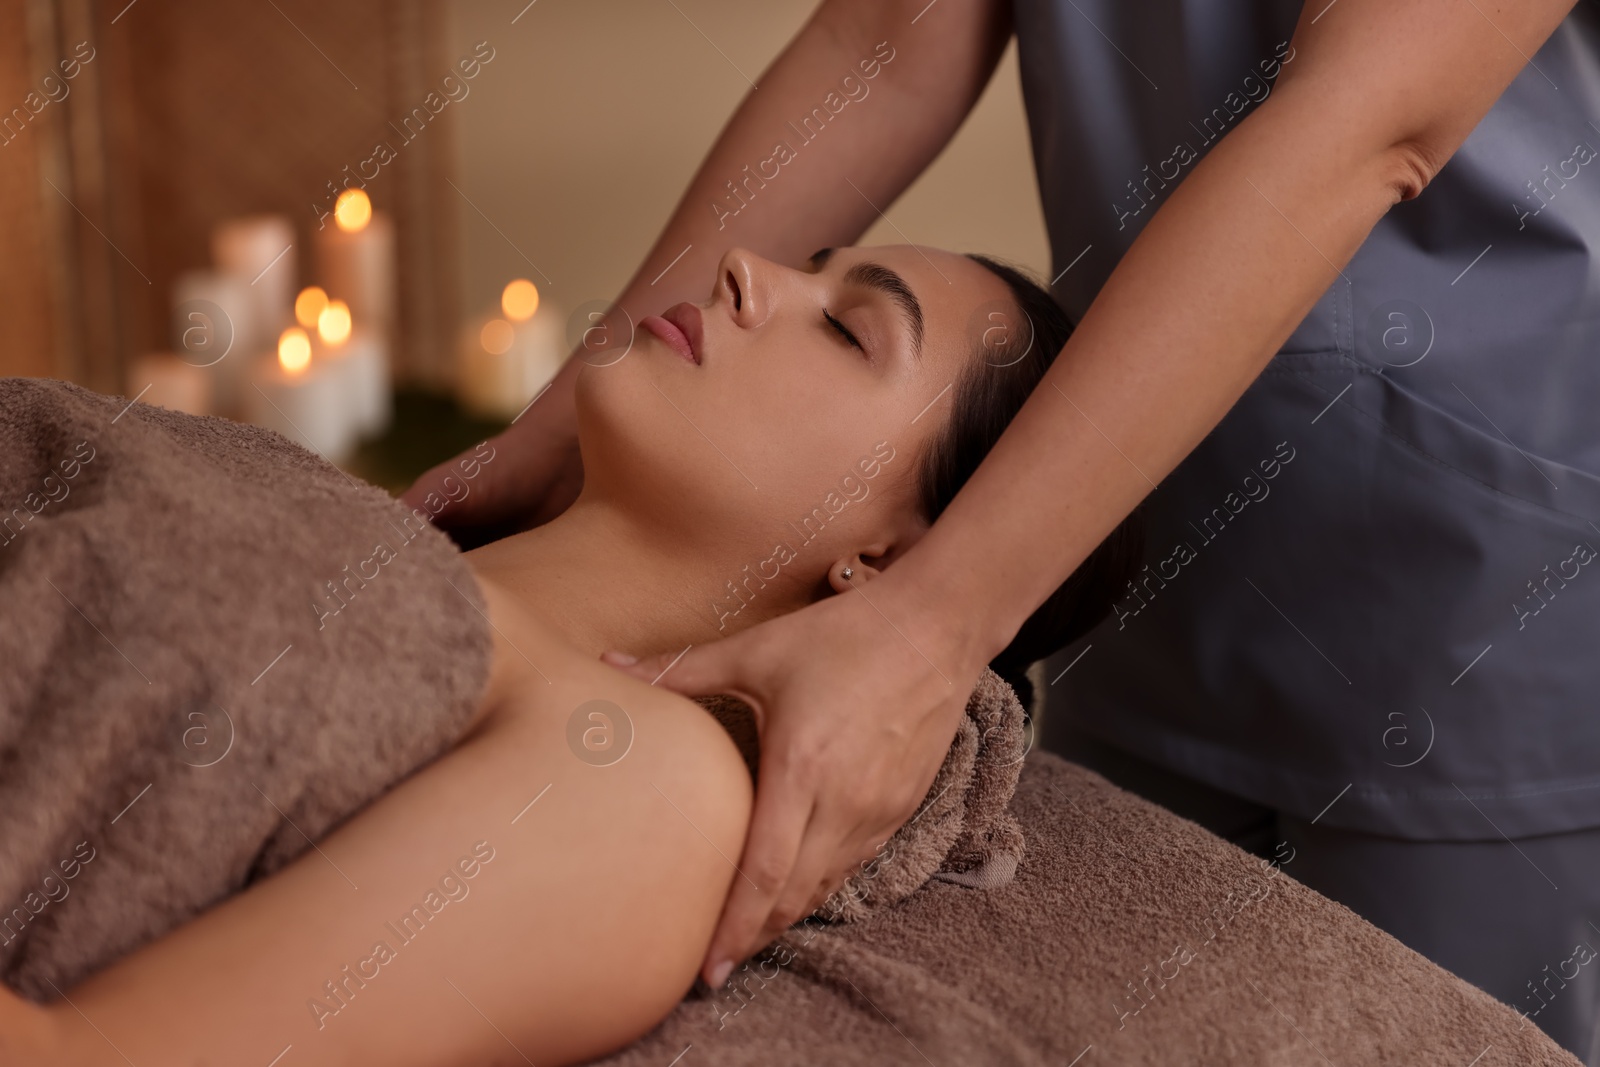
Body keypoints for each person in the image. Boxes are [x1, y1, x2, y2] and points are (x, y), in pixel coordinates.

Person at [405, 0, 1598, 1059]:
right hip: (1128, 548)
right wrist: (570, 412)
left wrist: (927, 628)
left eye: (848, 326)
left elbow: (1367, 120)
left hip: (1470, 602)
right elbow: (881, 44)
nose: (744, 279)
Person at [11, 245, 1139, 1064]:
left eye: (847, 328)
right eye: (813, 264)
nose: (745, 267)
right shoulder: (332, 510)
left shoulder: (645, 785)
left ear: (888, 565)